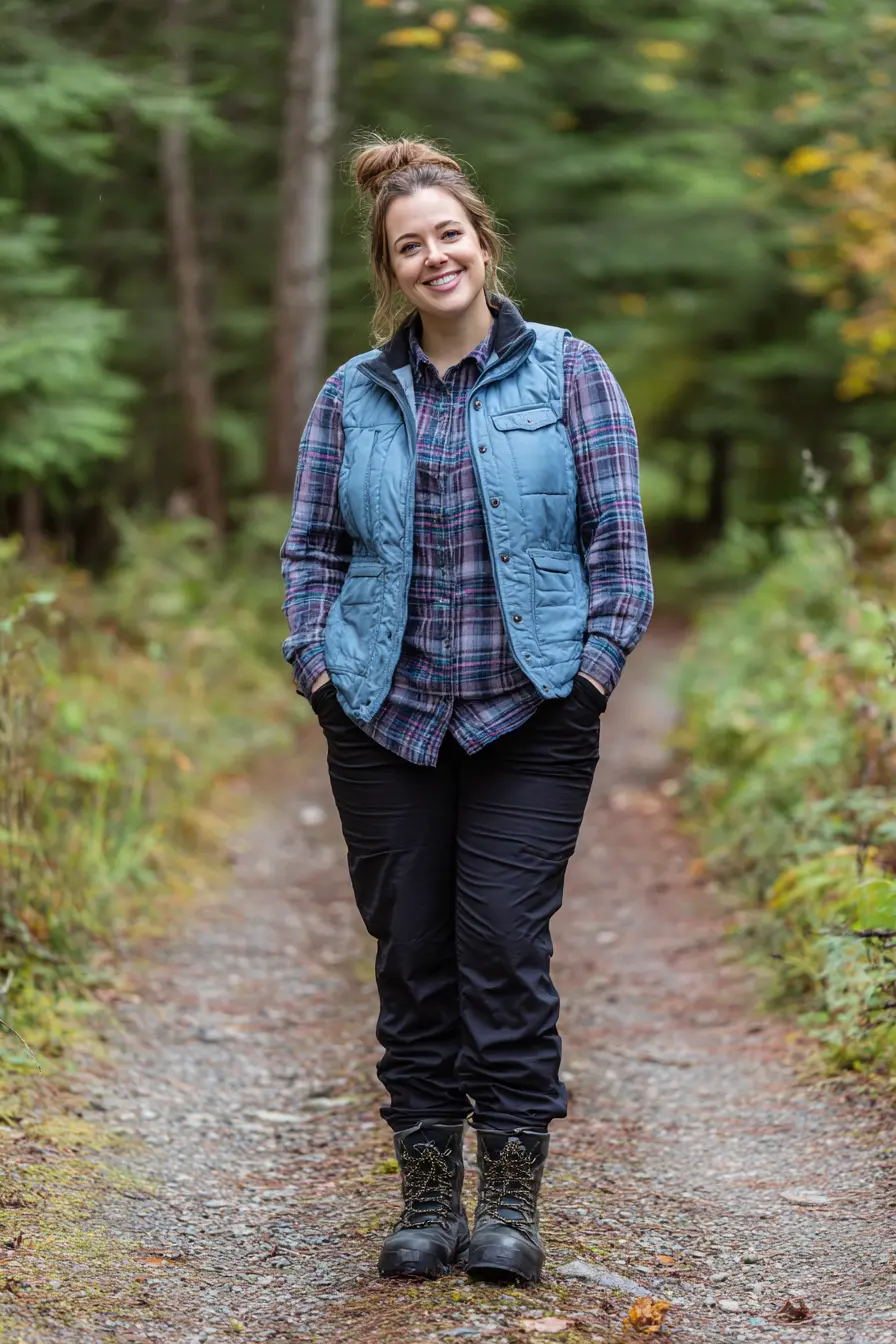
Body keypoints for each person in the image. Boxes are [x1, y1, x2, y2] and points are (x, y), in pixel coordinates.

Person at [280, 134, 653, 1285]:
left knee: (499, 944)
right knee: (413, 954)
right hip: (383, 718)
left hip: (531, 716)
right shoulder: (352, 395)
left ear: (481, 244)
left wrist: (589, 673)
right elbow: (311, 548)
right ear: (389, 273)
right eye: (409, 246)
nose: (434, 256)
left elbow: (620, 549)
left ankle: (511, 1206)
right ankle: (427, 1199)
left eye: (449, 234)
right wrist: (318, 670)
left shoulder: (571, 374)